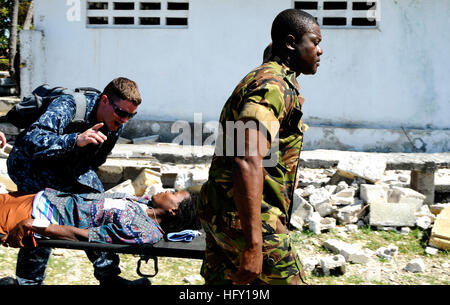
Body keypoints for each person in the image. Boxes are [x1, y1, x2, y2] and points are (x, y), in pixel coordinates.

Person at [197, 9, 323, 285]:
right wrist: (254, 245)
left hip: (223, 213)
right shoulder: (272, 86)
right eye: (314, 42)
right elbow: (247, 159)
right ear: (291, 44)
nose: (320, 51)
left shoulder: (272, 80)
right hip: (250, 223)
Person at [5, 77, 145, 285]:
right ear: (105, 100)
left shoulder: (115, 125)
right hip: (32, 165)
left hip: (69, 167)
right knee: (43, 215)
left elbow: (97, 159)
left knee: (99, 208)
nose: (125, 120)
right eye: (122, 113)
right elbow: (32, 140)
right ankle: (28, 281)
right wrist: (74, 140)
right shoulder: (69, 105)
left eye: (131, 116)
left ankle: (109, 276)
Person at [0, 189, 200, 248]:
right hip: (40, 197)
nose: (167, 190)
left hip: (35, 216)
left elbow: (86, 236)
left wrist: (34, 225)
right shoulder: (146, 203)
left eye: (173, 193)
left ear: (175, 211)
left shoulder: (144, 231)